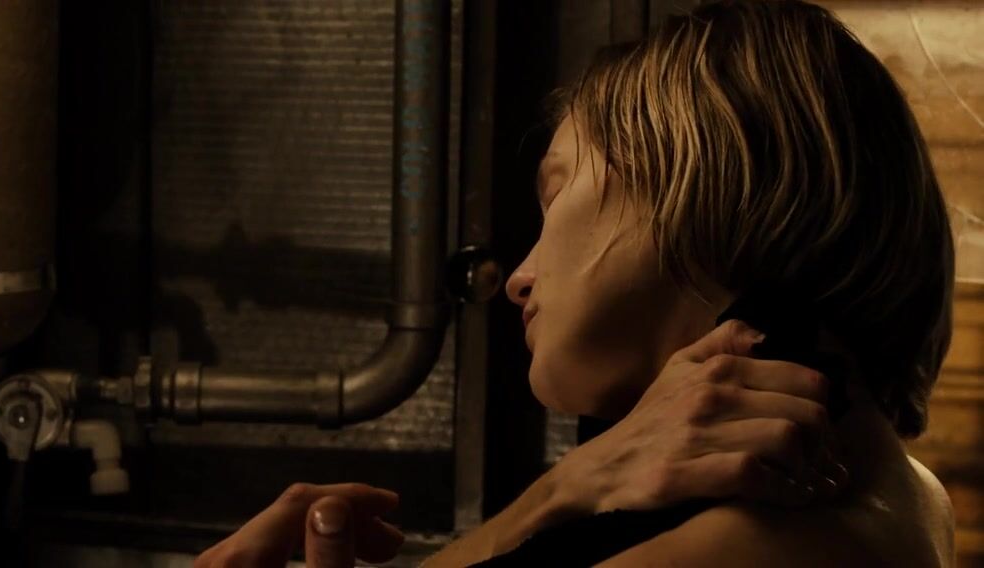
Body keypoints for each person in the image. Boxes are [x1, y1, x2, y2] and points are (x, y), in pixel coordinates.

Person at [195, 0, 957, 566]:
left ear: (703, 175)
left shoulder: (736, 545)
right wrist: (571, 487)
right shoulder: (903, 489)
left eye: (556, 193)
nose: (517, 280)